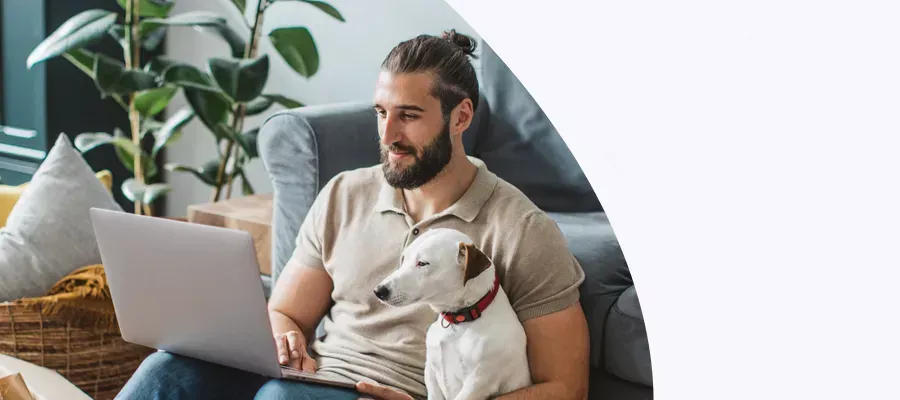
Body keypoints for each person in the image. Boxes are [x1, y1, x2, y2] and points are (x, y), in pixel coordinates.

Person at [116, 30, 590, 400]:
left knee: (281, 397)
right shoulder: (345, 193)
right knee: (168, 370)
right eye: (381, 112)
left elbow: (566, 388)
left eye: (408, 115)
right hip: (315, 379)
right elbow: (285, 312)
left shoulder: (522, 230)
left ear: (461, 117)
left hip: (391, 393)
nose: (388, 135)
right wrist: (285, 341)